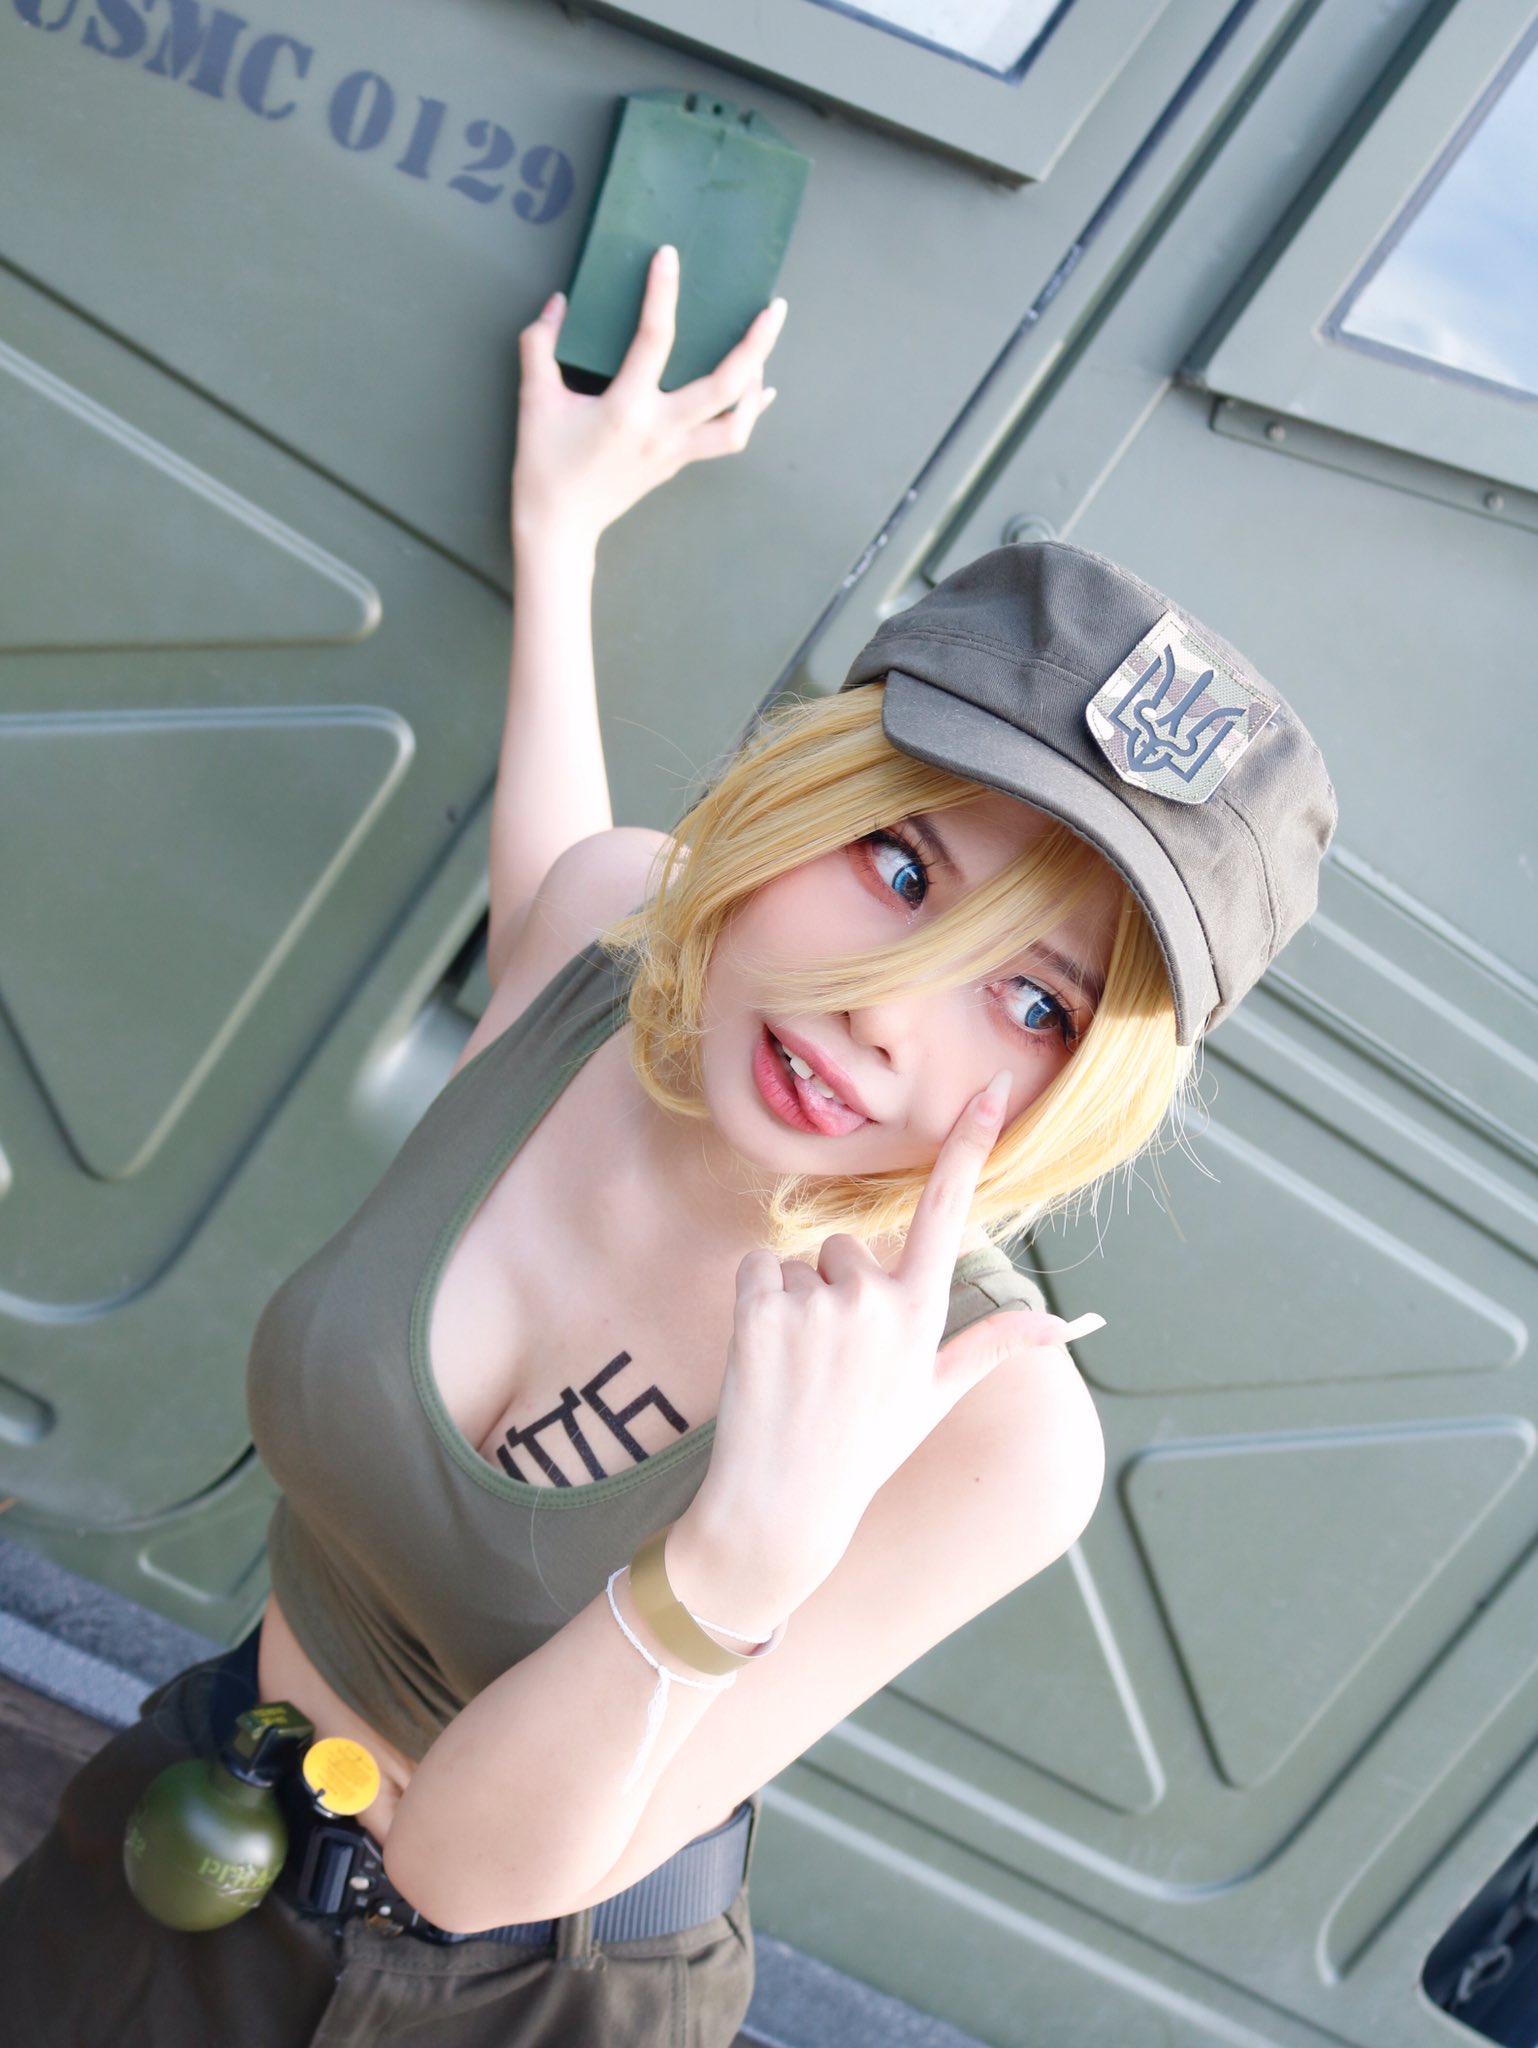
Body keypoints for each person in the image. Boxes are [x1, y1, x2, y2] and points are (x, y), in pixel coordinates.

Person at [0, 244, 1336, 2046]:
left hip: (499, 1994)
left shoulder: (986, 1427)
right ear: (803, 802)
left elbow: (468, 1873)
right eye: (900, 863)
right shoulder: (608, 947)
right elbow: (565, 878)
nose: (882, 1009)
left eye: (1031, 1000)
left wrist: (734, 1569)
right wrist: (560, 532)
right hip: (205, 1795)